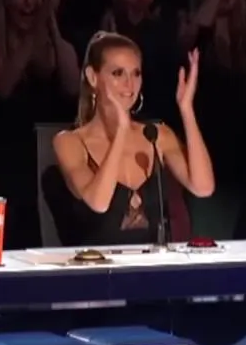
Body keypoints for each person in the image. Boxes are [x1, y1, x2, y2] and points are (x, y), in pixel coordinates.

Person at [51, 32, 213, 246]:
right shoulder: (69, 142)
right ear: (92, 77)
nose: (130, 84)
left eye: (136, 73)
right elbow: (99, 202)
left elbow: (203, 187)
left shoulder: (156, 135)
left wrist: (187, 110)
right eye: (118, 73)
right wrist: (121, 131)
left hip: (152, 262)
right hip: (95, 263)